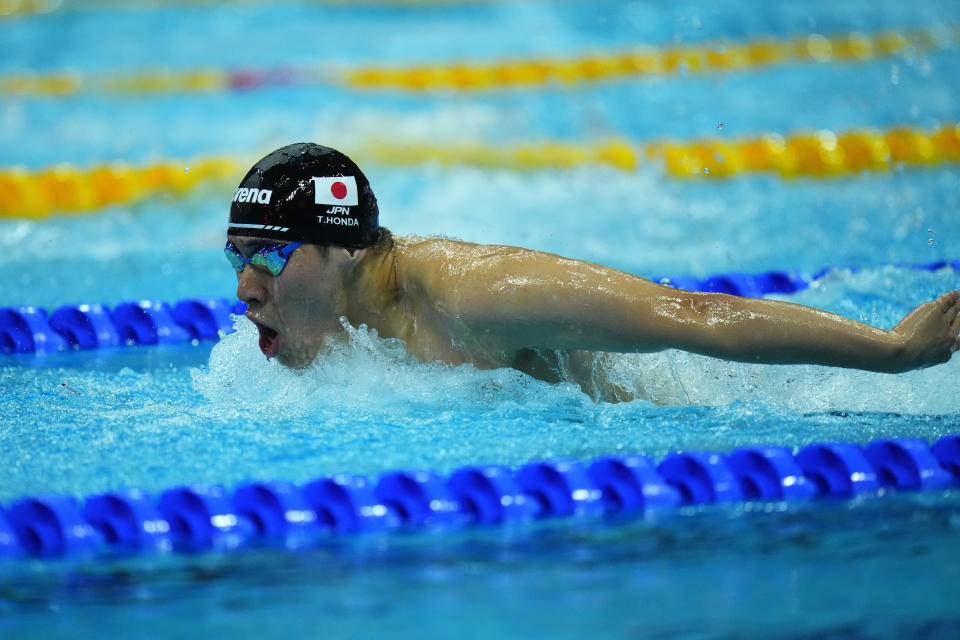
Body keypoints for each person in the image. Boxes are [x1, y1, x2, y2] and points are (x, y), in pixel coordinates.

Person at [226, 143, 960, 402]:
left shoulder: (475, 296)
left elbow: (690, 315)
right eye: (238, 258)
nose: (245, 289)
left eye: (269, 257)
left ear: (345, 247)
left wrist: (896, 353)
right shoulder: (338, 342)